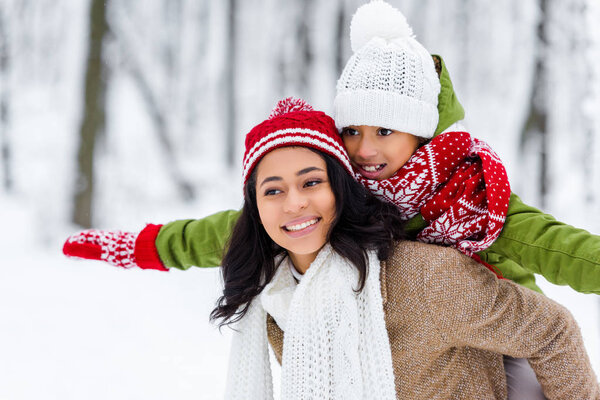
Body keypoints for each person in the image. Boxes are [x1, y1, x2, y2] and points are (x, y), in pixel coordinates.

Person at [216, 98, 598, 399]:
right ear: (255, 208)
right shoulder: (277, 299)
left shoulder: (422, 277)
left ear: (341, 189)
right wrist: (154, 246)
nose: (294, 203)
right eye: (273, 190)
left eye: (311, 182)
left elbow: (551, 331)